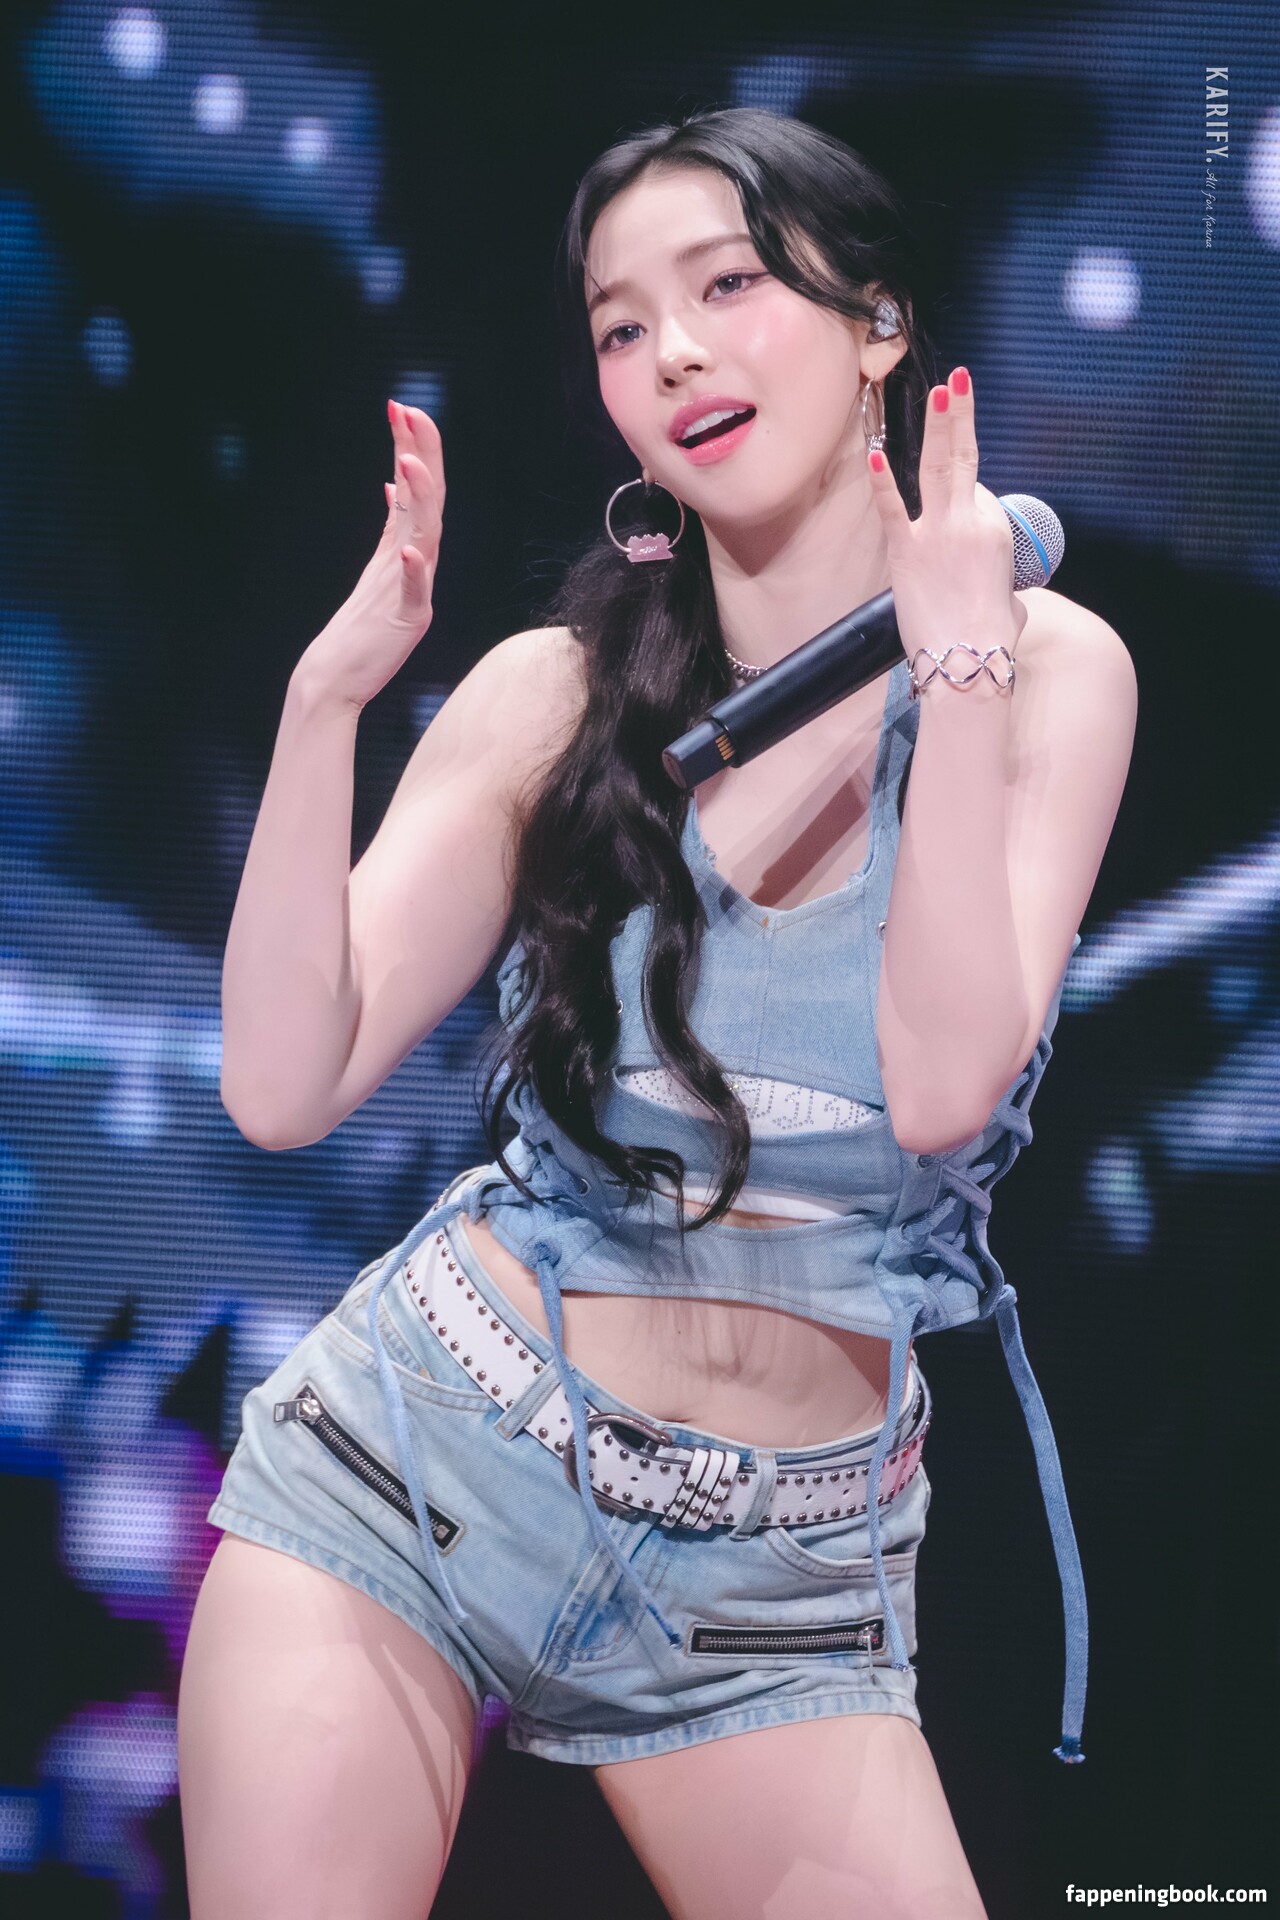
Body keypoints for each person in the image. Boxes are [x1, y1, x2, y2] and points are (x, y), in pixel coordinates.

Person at [177, 107, 1136, 1919]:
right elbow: (281, 1084)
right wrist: (328, 703)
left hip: (771, 1586)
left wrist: (955, 661)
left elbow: (943, 1085)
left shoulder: (1050, 667)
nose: (674, 351)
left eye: (729, 286)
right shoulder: (555, 691)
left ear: (878, 324)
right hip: (422, 1462)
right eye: (623, 325)